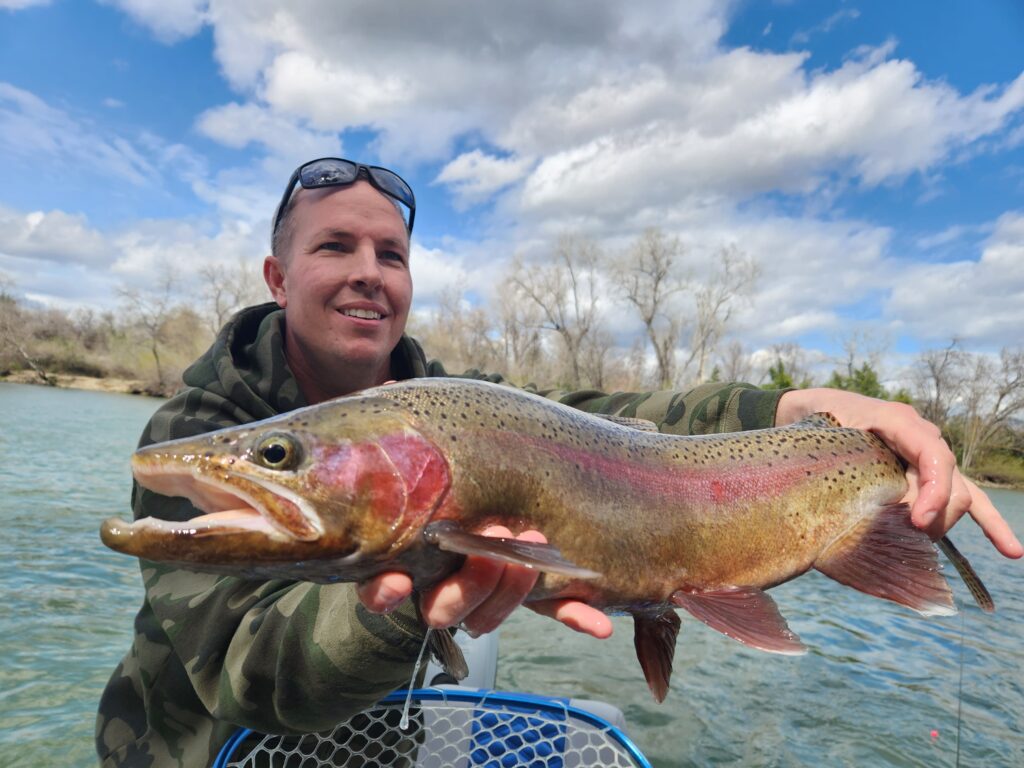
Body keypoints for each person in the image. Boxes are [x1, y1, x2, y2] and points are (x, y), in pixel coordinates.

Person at [95, 157, 1022, 767]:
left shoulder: (448, 399)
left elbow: (613, 424)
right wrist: (405, 605)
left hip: (383, 740)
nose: (368, 270)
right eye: (335, 245)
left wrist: (796, 413)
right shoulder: (202, 429)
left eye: (392, 252)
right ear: (276, 276)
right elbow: (252, 680)